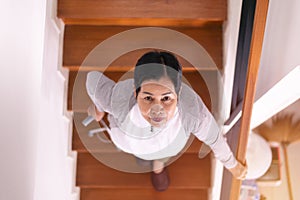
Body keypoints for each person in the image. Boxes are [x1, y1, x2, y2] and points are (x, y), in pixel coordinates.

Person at [86, 51, 247, 191]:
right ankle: (152, 161)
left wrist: (232, 165)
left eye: (166, 98)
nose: (157, 111)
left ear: (178, 94)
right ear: (135, 94)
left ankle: (158, 165)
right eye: (148, 98)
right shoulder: (120, 100)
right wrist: (100, 108)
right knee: (141, 156)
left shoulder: (192, 112)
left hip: (167, 145)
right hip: (130, 141)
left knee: (160, 155)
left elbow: (214, 138)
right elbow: (92, 80)